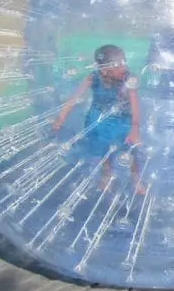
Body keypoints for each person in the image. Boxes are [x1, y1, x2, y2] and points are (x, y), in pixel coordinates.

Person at [53, 44, 146, 195]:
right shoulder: (94, 77)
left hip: (122, 122)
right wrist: (61, 117)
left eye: (124, 61)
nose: (124, 66)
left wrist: (135, 127)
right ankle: (106, 176)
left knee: (130, 152)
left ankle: (137, 181)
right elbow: (75, 98)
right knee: (104, 152)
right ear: (105, 68)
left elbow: (135, 105)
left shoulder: (129, 79)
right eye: (119, 64)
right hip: (98, 121)